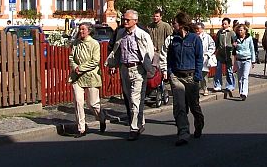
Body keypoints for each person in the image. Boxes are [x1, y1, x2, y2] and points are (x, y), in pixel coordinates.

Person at [106, 9, 155, 141]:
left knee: (135, 99)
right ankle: (141, 122)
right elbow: (115, 49)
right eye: (124, 19)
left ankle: (134, 128)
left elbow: (149, 52)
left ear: (135, 21)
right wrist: (112, 64)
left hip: (137, 69)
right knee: (129, 97)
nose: (125, 22)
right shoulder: (120, 33)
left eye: (128, 20)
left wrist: (147, 67)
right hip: (124, 68)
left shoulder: (142, 34)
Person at [166, 12, 204, 146]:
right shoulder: (174, 39)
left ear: (181, 25)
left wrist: (197, 76)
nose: (173, 25)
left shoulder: (194, 39)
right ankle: (183, 133)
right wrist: (170, 72)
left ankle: (199, 123)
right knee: (180, 106)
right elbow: (169, 58)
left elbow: (200, 58)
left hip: (191, 77)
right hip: (177, 76)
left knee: (194, 106)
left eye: (174, 23)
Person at [68, 22, 106, 137]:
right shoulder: (75, 43)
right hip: (77, 77)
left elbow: (95, 61)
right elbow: (71, 57)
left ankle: (101, 118)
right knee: (78, 102)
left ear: (89, 31)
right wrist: (75, 67)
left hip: (91, 76)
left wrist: (82, 68)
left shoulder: (94, 44)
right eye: (80, 29)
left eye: (83, 29)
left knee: (92, 104)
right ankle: (81, 128)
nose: (81, 31)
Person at [233, 23, 256, 100]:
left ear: (245, 31)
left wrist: (253, 61)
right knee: (239, 78)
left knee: (245, 76)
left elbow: (252, 49)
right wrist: (234, 46)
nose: (240, 32)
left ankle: (244, 93)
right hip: (239, 59)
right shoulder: (236, 38)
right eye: (239, 30)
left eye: (241, 30)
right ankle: (241, 92)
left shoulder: (249, 38)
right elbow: (233, 51)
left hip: (247, 59)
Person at [213, 18, 236, 94]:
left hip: (229, 54)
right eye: (223, 24)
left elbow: (235, 41)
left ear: (229, 24)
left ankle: (230, 85)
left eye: (225, 24)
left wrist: (233, 49)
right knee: (218, 69)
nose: (224, 25)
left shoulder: (231, 32)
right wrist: (215, 50)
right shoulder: (219, 32)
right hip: (220, 54)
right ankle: (218, 85)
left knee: (229, 71)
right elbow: (217, 42)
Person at [195, 22, 215, 95]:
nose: (196, 30)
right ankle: (196, 89)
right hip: (195, 58)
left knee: (204, 75)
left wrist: (208, 54)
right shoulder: (193, 36)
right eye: (195, 28)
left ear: (202, 29)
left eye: (198, 28)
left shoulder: (207, 37)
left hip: (204, 58)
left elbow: (212, 46)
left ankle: (205, 88)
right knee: (195, 74)